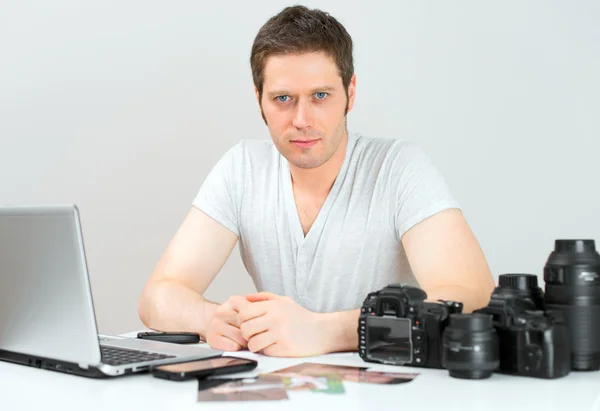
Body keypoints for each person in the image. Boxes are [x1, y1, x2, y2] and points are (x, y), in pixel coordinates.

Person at [138, 5, 495, 358]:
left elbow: (471, 295)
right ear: (259, 100)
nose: (302, 119)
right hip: (284, 390)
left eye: (320, 96)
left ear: (350, 94)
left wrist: (325, 331)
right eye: (282, 99)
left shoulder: (399, 167)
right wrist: (212, 319)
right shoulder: (242, 168)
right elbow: (158, 296)